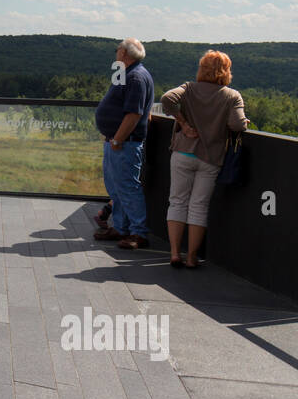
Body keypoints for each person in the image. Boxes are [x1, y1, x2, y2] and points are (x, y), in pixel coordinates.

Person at [159, 50, 249, 268]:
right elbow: (238, 125)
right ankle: (191, 257)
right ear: (226, 72)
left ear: (202, 68)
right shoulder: (232, 96)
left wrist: (183, 123)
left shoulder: (189, 88)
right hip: (210, 157)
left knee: (177, 201)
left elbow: (166, 99)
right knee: (199, 206)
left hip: (183, 152)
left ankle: (173, 253)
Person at [93, 38, 154, 249]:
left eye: (117, 49)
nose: (116, 53)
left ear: (125, 54)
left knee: (128, 187)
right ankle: (120, 228)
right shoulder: (125, 73)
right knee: (116, 188)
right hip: (116, 142)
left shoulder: (136, 77)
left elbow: (133, 114)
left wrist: (118, 138)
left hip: (124, 143)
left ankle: (139, 233)